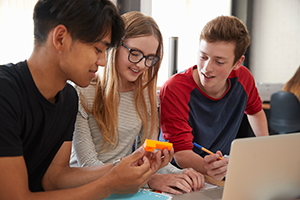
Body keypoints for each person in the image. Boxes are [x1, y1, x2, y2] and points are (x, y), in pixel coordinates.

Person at [0, 1, 172, 199]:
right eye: (98, 49)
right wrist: (110, 183)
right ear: (60, 38)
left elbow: (55, 178)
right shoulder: (5, 92)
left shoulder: (68, 98)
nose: (102, 61)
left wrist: (122, 168)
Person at [70, 11, 205, 195]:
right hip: (85, 189)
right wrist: (148, 179)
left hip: (126, 186)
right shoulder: (82, 91)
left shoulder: (146, 96)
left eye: (150, 58)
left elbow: (148, 161)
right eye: (135, 53)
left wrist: (184, 174)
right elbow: (88, 164)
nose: (142, 65)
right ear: (115, 46)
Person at [159, 15, 269, 182]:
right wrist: (208, 167)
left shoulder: (243, 78)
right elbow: (181, 153)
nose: (207, 68)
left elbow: (255, 111)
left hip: (219, 172)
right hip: (179, 173)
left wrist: (266, 148)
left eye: (219, 62)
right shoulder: (175, 88)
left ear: (238, 62)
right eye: (203, 57)